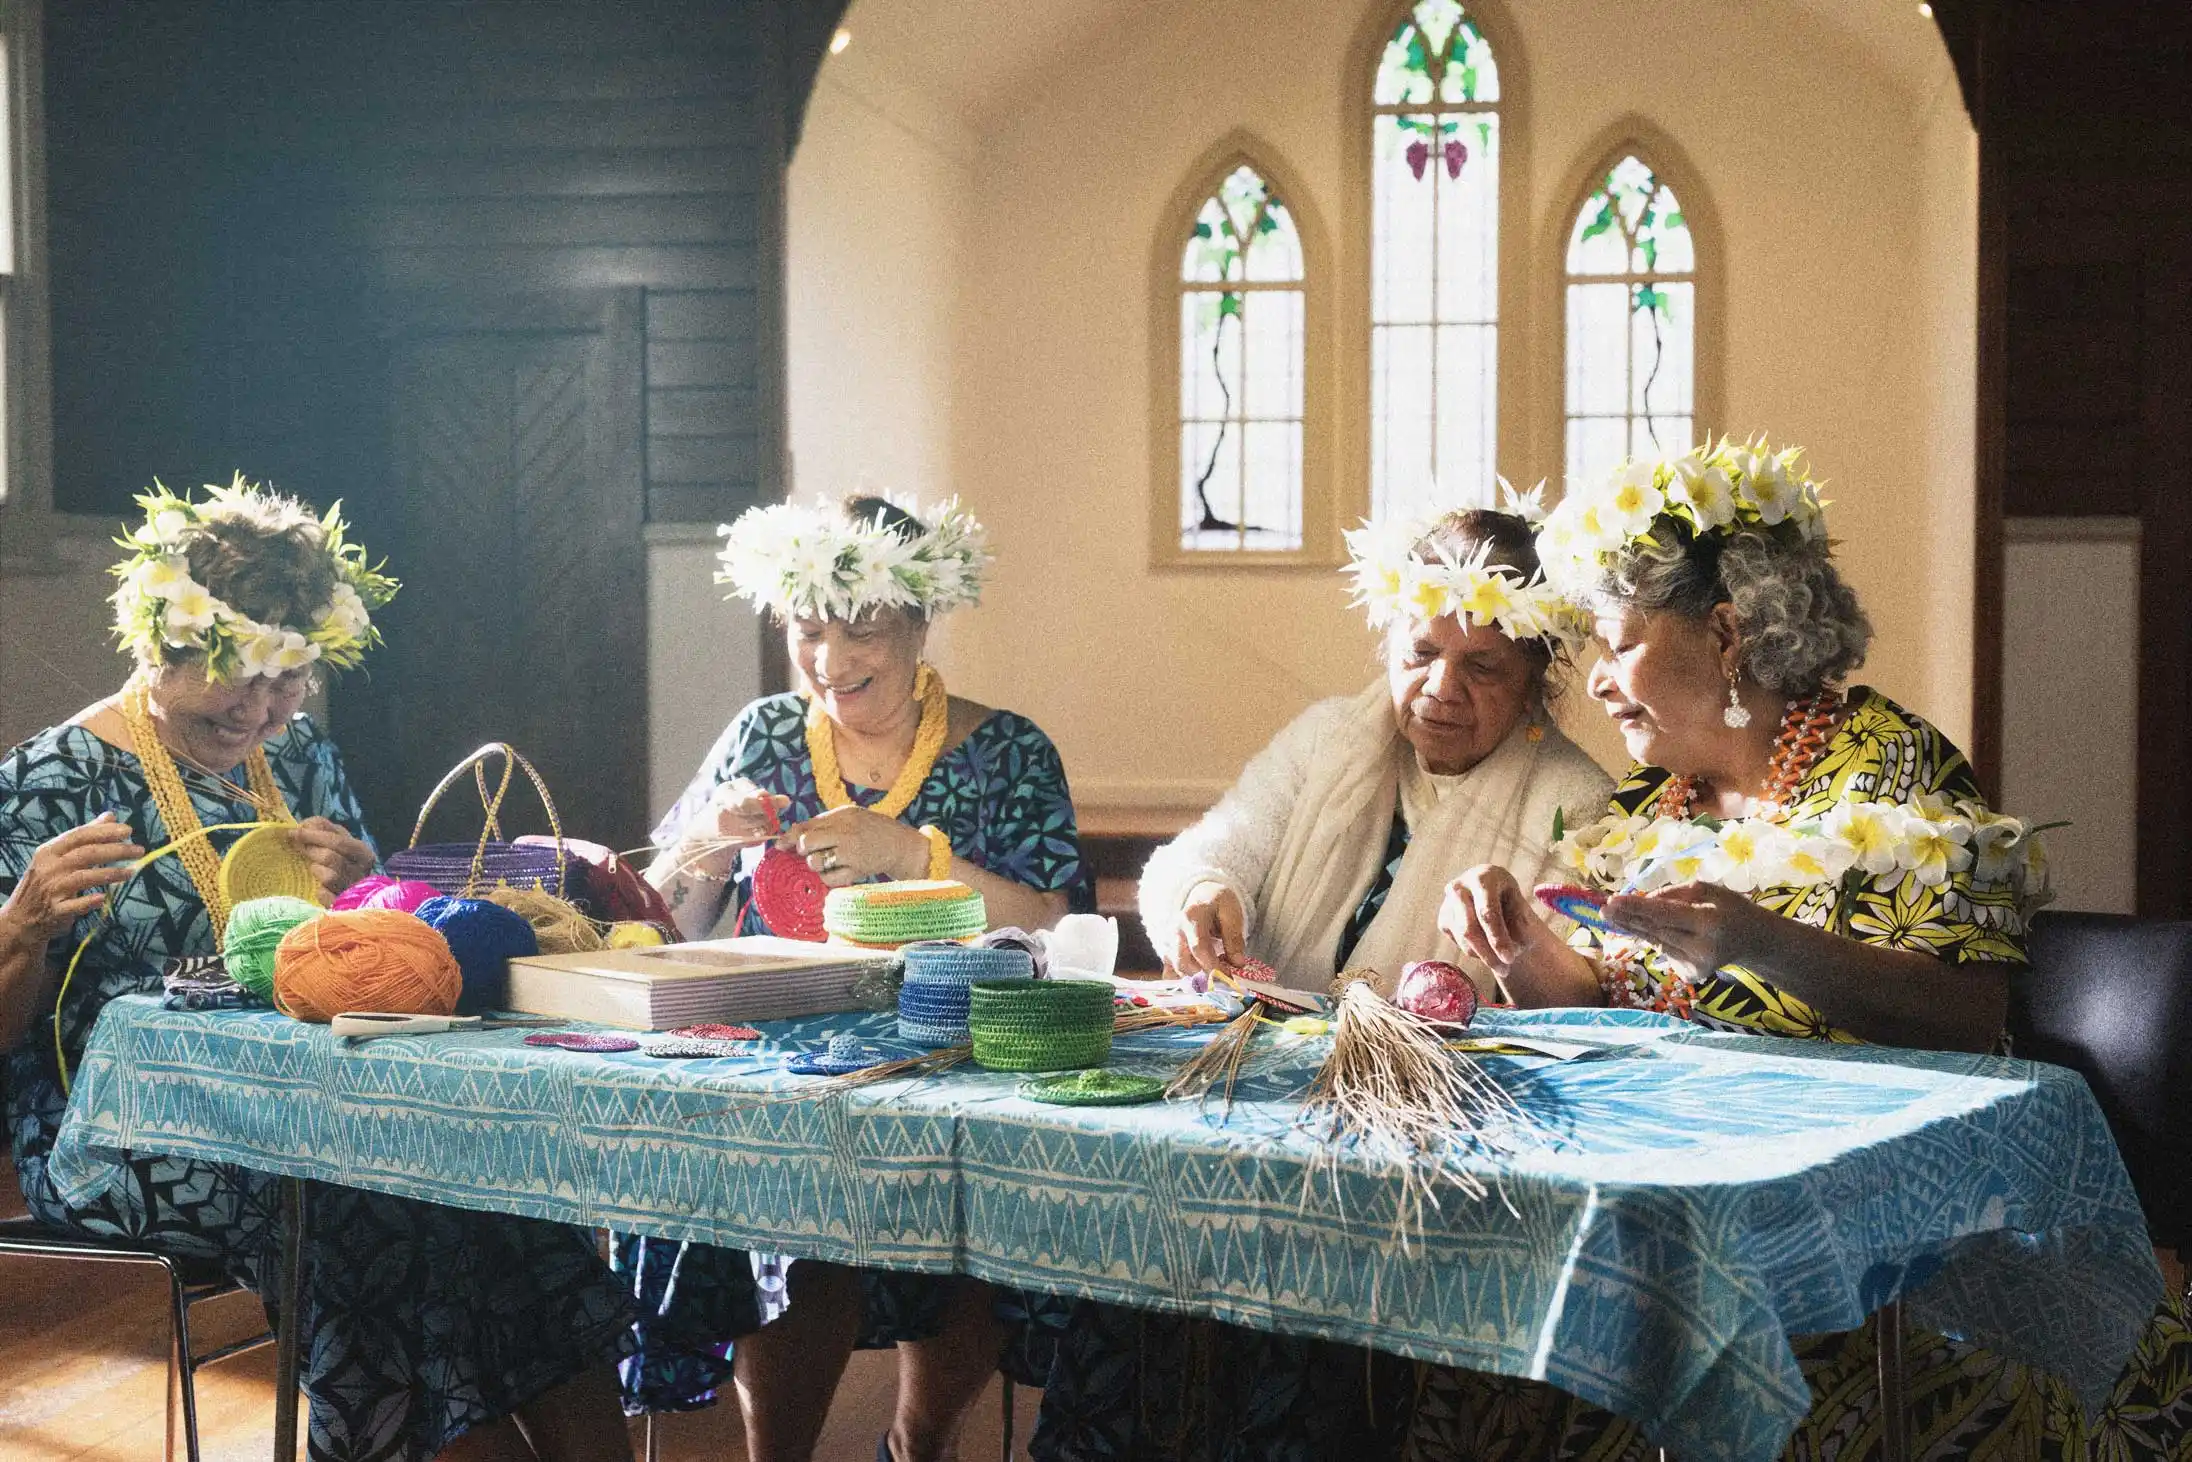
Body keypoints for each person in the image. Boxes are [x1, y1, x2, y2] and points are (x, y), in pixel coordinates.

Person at [1434, 439, 2191, 1459]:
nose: (1599, 683)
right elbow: (1584, 998)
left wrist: (1756, 940)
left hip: (1891, 1249)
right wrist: (1511, 936)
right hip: (1699, 1223)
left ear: (1726, 631)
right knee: (1484, 1372)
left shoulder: (1886, 768)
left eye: (1617, 645)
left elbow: (1966, 1015)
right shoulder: (1645, 805)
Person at [0, 476, 634, 1462]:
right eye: (237, 675)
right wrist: (22, 928)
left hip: (320, 1099)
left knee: (489, 1196)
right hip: (124, 1125)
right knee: (353, 1209)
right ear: (163, 640)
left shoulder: (298, 762)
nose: (259, 709)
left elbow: (366, 955)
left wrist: (371, 890)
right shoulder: (49, 783)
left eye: (285, 679)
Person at [1027, 505, 1615, 1461]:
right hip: (1255, 1105)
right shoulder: (1326, 740)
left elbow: (1570, 1002)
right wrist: (1204, 895)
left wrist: (1512, 952)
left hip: (1417, 1148)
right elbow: (1206, 852)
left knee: (1314, 1358)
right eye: (1421, 652)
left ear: (1536, 680)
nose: (1439, 689)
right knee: (1142, 1284)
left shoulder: (1573, 796)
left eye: (1484, 669)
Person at [624, 493, 1087, 1462]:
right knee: (794, 1214)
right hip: (779, 1059)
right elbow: (657, 910)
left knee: (972, 1216)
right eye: (807, 628)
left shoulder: (1006, 749)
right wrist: (708, 845)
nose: (830, 660)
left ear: (920, 619)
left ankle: (919, 1442)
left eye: (862, 628)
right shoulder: (761, 733)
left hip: (955, 1053)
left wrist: (913, 852)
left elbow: (1052, 918)